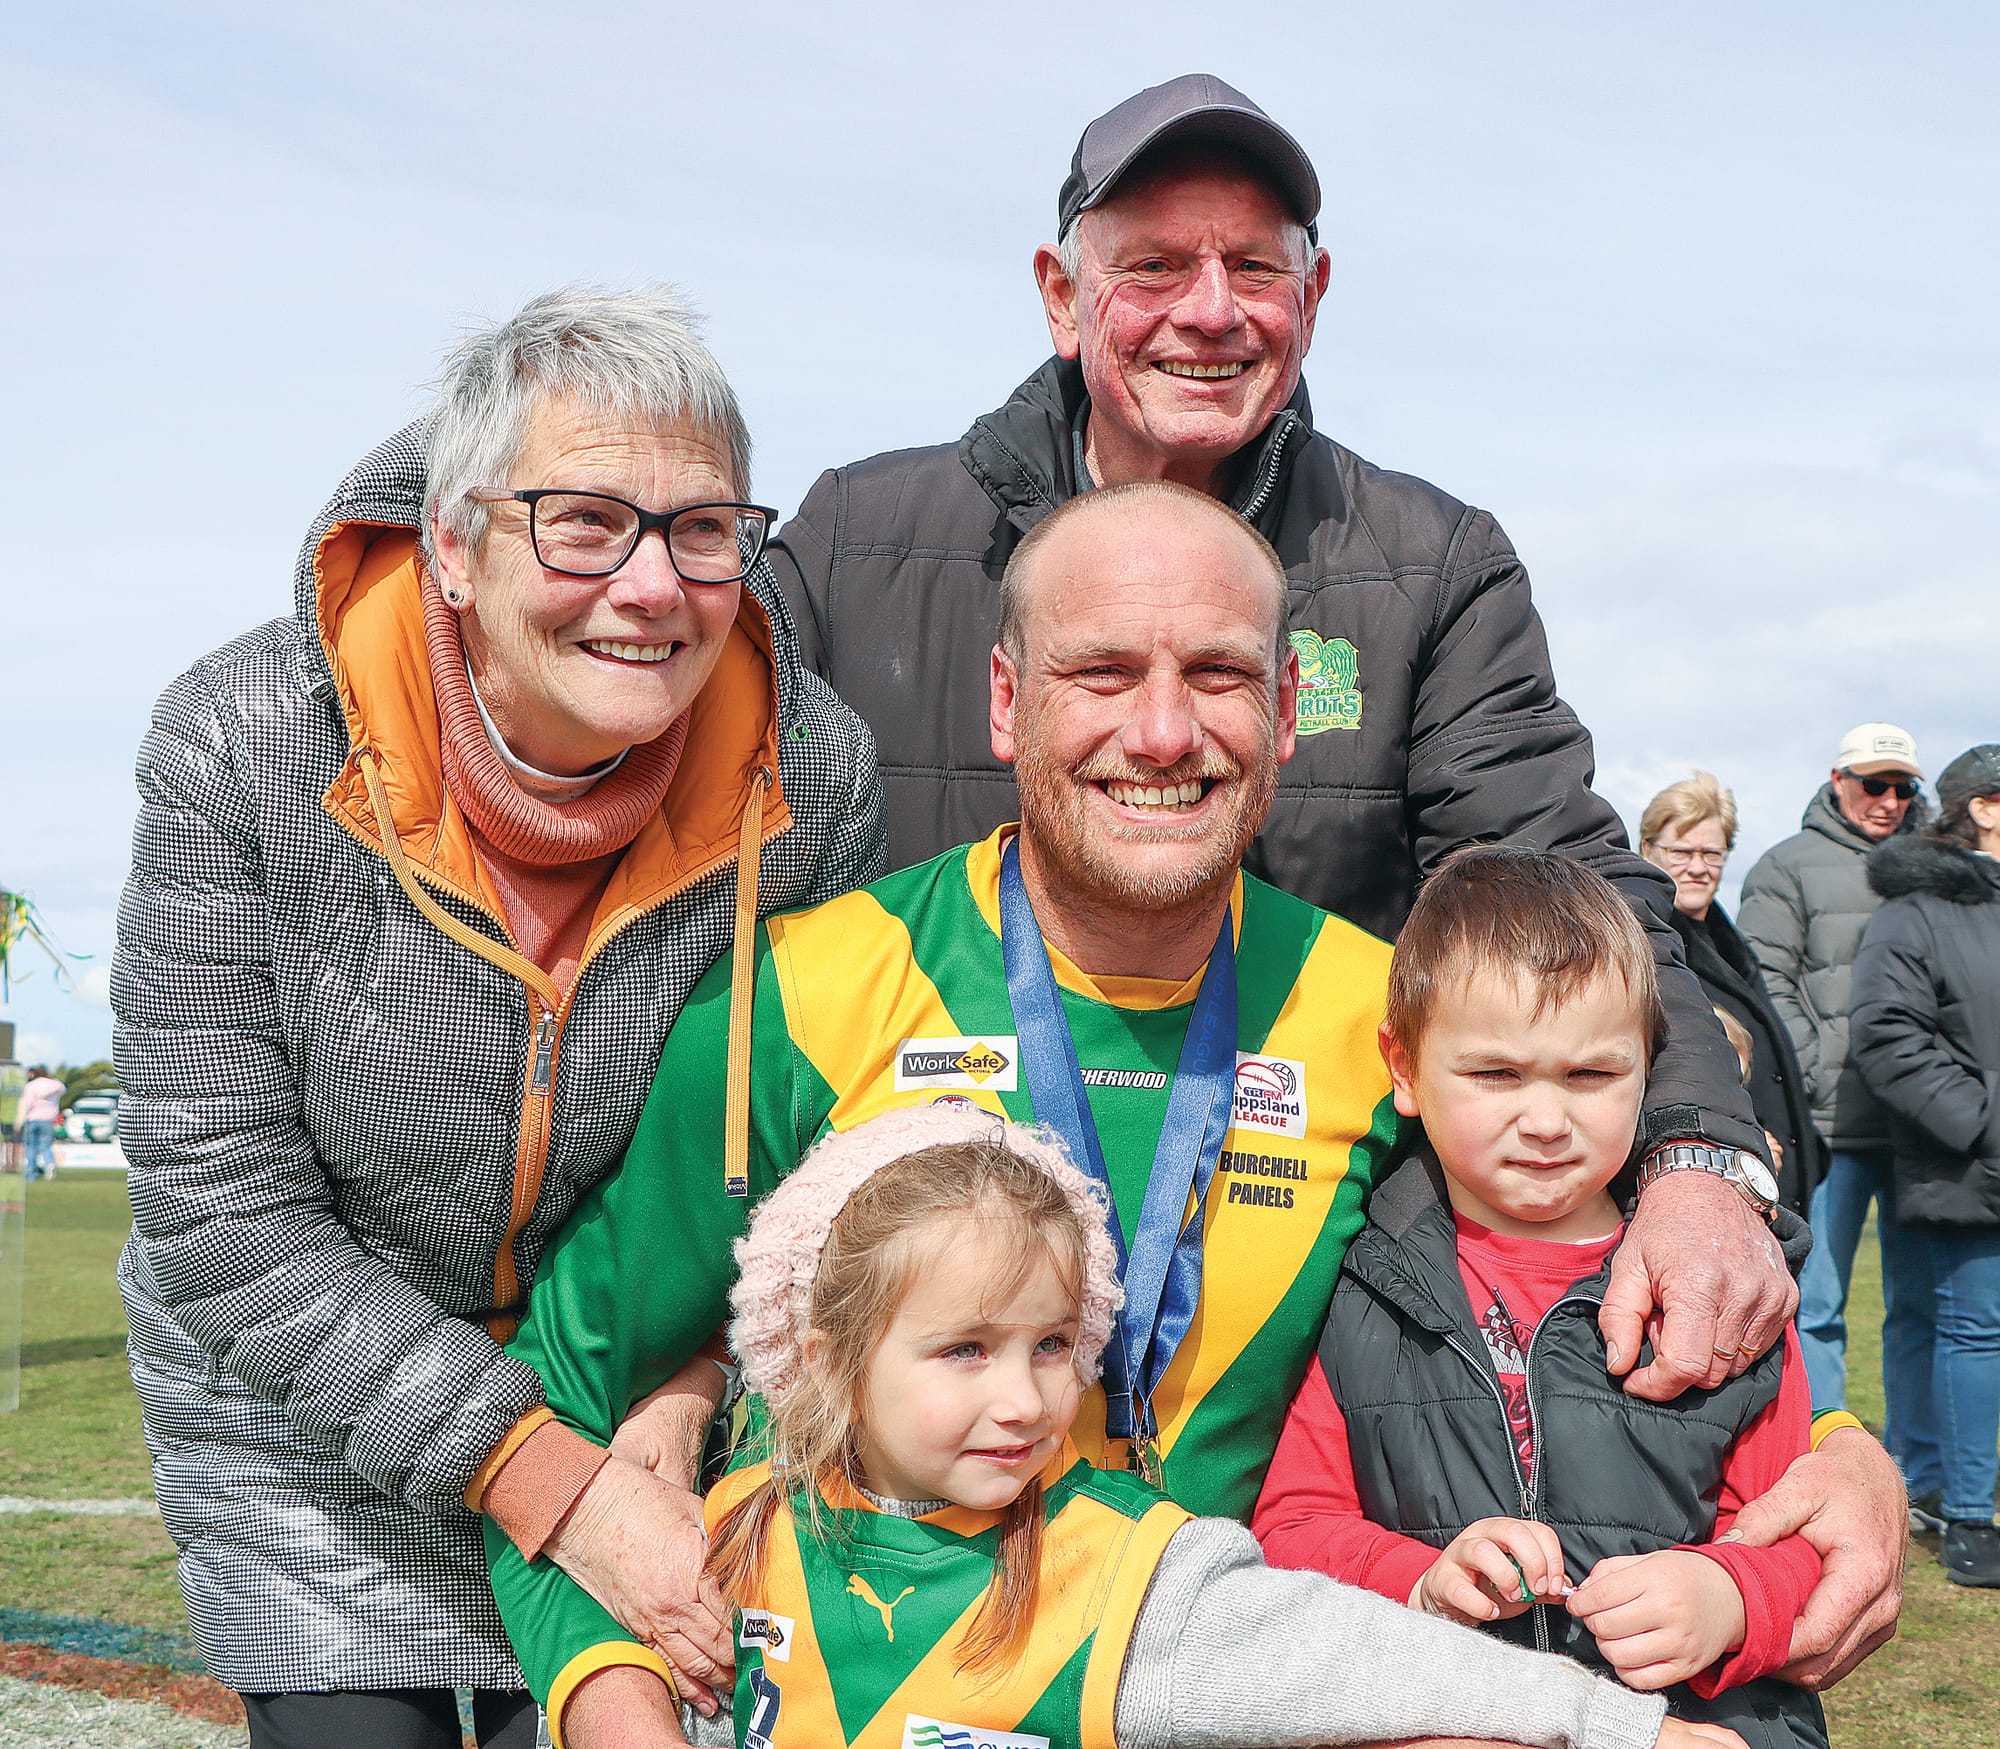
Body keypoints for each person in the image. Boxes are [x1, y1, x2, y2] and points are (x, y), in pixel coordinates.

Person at [481, 485, 1901, 1747]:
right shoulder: (801, 995)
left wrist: (1842, 1450)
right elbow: (565, 1398)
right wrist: (615, 1703)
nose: (1163, 730)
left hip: (1235, 1681)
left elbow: (1570, 1246)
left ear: (1286, 709)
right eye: (1100, 671)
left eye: (1217, 675)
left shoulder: (1385, 1022)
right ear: (1004, 700)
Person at [766, 74, 1799, 1380]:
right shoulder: (859, 540)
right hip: (901, 1347)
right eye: (1152, 264)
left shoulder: (1427, 567)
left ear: (1311, 299)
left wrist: (1700, 1155)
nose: (1210, 309)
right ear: (1059, 291)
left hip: (1278, 1340)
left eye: (1254, 265)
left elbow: (1562, 885)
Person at [112, 287, 884, 1748]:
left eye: (704, 529)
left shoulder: (813, 777)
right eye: (584, 521)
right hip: (310, 1408)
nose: (653, 586)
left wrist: (691, 1377)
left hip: (629, 1388)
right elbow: (219, 1211)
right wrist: (553, 1486)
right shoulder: (241, 742)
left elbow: (817, 1147)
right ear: (456, 546)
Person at [701, 1102, 1743, 1749]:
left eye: (1053, 1346)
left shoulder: (1131, 1577)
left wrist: (1631, 1733)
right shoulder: (732, 1530)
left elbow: (1364, 1660)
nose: (1022, 1399)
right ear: (829, 1353)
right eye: (964, 1350)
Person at [1255, 849, 1829, 1747]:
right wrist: (1419, 1578)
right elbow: (1293, 1524)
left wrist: (1729, 1599)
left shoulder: (1722, 1283)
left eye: (1592, 1076)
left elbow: (1801, 1531)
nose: (1548, 1120)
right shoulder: (1353, 1280)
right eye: (1496, 1075)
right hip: (1445, 1711)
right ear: (1403, 1068)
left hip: (1697, 1719)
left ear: (1649, 1068)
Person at [1737, 724, 1938, 1518]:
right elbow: (1766, 988)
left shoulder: (1933, 869)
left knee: (1922, 1307)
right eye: (1875, 784)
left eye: (1904, 788)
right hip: (1829, 1128)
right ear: (1838, 779)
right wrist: (1820, 1073)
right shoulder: (1785, 865)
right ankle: (1820, 1467)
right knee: (1813, 1306)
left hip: (1923, 1129)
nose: (1890, 802)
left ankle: (1919, 1473)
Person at [1850, 744, 2000, 1588]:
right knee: (1972, 1332)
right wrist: (1980, 1122)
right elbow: (1887, 1032)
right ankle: (1967, 1516)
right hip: (1971, 1163)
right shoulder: (1917, 908)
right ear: (1982, 806)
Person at [1639, 776, 1821, 1212]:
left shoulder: (1731, 943)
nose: (1698, 867)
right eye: (1681, 852)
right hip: (1723, 1175)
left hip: (1783, 1181)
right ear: (1647, 852)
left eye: (1712, 853)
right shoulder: (1649, 946)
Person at [16, 1065, 63, 1182]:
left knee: (31, 1147)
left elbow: (26, 1104)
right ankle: (50, 1164)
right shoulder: (56, 1086)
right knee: (46, 1146)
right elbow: (62, 1087)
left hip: (32, 1119)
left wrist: (19, 1120)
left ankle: (31, 1173)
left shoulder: (31, 1087)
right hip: (48, 1120)